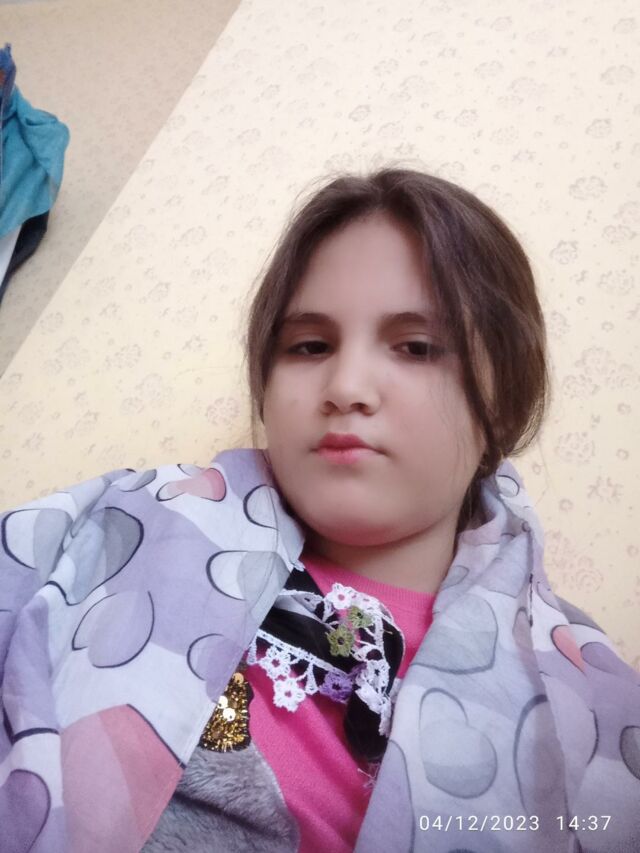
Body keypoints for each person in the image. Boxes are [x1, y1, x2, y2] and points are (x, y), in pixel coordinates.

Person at [0, 168, 638, 853]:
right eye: (309, 346)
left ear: (504, 402)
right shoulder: (124, 523)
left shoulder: (588, 700)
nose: (346, 385)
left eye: (417, 347)